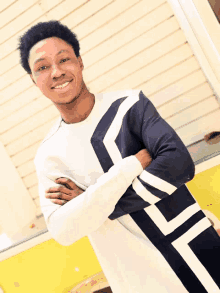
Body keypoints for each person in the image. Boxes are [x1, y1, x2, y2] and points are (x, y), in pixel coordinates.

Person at [18, 20, 220, 293]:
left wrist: (93, 204)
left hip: (195, 253)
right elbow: (64, 230)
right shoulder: (49, 155)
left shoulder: (129, 105)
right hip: (135, 278)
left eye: (63, 59)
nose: (55, 72)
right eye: (42, 67)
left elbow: (178, 164)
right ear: (33, 79)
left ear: (79, 61)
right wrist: (131, 166)